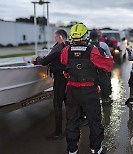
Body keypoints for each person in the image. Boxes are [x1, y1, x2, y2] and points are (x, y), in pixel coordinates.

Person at [60, 23, 113, 154]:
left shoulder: (66, 50)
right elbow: (108, 66)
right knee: (94, 121)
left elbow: (64, 65)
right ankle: (96, 148)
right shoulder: (93, 50)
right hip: (89, 91)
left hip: (72, 90)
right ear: (85, 36)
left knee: (72, 120)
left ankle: (72, 150)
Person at [35, 29, 68, 140]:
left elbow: (44, 62)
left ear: (59, 37)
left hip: (60, 79)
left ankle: (58, 133)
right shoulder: (68, 46)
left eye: (55, 37)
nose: (54, 39)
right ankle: (73, 126)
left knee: (57, 104)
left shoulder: (58, 47)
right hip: (68, 79)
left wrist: (37, 59)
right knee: (68, 102)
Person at [89, 29, 113, 106]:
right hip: (101, 69)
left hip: (90, 69)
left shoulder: (87, 45)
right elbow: (109, 56)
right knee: (105, 83)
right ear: (98, 36)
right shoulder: (103, 45)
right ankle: (105, 99)